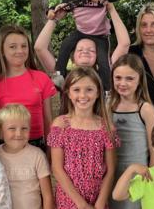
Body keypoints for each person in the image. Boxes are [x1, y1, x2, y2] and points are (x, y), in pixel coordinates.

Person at [47, 67, 119, 208]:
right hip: (69, 200)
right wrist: (82, 205)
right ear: (68, 92)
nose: (83, 95)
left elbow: (111, 169)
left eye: (89, 89)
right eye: (76, 90)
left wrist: (100, 203)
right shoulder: (61, 125)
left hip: (98, 199)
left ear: (98, 92)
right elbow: (57, 168)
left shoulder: (106, 127)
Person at [47, 0, 121, 91]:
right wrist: (51, 11)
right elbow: (59, 7)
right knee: (65, 46)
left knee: (104, 62)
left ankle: (107, 90)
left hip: (100, 35)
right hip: (81, 32)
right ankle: (59, 76)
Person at [0, 25, 56, 151]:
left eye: (24, 46)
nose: (20, 51)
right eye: (13, 47)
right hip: (7, 147)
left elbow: (48, 122)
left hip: (37, 146)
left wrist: (51, 153)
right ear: (2, 50)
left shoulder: (41, 78)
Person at [36, 2, 130, 91]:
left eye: (91, 50)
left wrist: (111, 9)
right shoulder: (62, 78)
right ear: (73, 57)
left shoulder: (106, 73)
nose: (85, 51)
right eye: (80, 50)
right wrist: (55, 19)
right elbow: (39, 48)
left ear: (98, 56)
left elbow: (124, 43)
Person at [108, 54, 154, 209]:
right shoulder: (107, 106)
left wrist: (150, 179)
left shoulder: (145, 109)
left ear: (139, 79)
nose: (123, 83)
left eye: (129, 78)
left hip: (137, 175)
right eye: (118, 78)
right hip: (111, 172)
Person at [0, 104, 54, 209]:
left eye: (24, 128)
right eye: (12, 128)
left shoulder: (37, 155)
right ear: (0, 130)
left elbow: (47, 196)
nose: (19, 133)